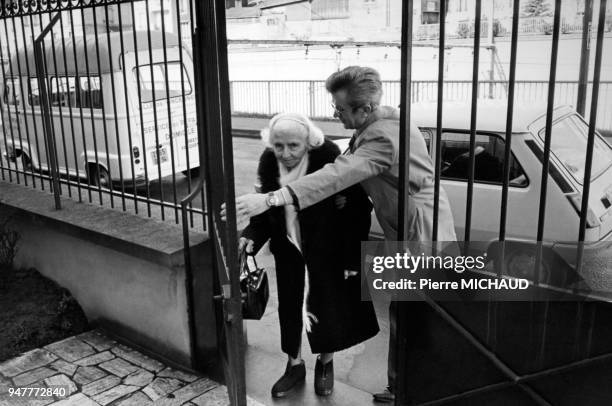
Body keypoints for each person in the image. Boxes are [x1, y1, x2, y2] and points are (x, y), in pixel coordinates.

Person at [222, 66, 457, 403]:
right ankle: (401, 386)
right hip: (398, 228)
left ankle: (414, 389)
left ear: (365, 109)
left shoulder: (380, 136)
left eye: (341, 109)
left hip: (419, 232)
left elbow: (338, 175)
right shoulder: (381, 121)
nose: (335, 113)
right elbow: (354, 172)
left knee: (416, 315)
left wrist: (273, 198)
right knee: (405, 311)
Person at [240, 112, 379, 398]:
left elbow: (360, 202)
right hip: (287, 245)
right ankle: (294, 364)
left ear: (309, 141)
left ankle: (325, 363)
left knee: (324, 303)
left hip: (326, 246)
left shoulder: (329, 154)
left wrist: (344, 205)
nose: (285, 153)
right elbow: (264, 209)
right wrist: (250, 238)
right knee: (289, 304)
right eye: (279, 146)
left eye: (293, 146)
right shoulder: (268, 161)